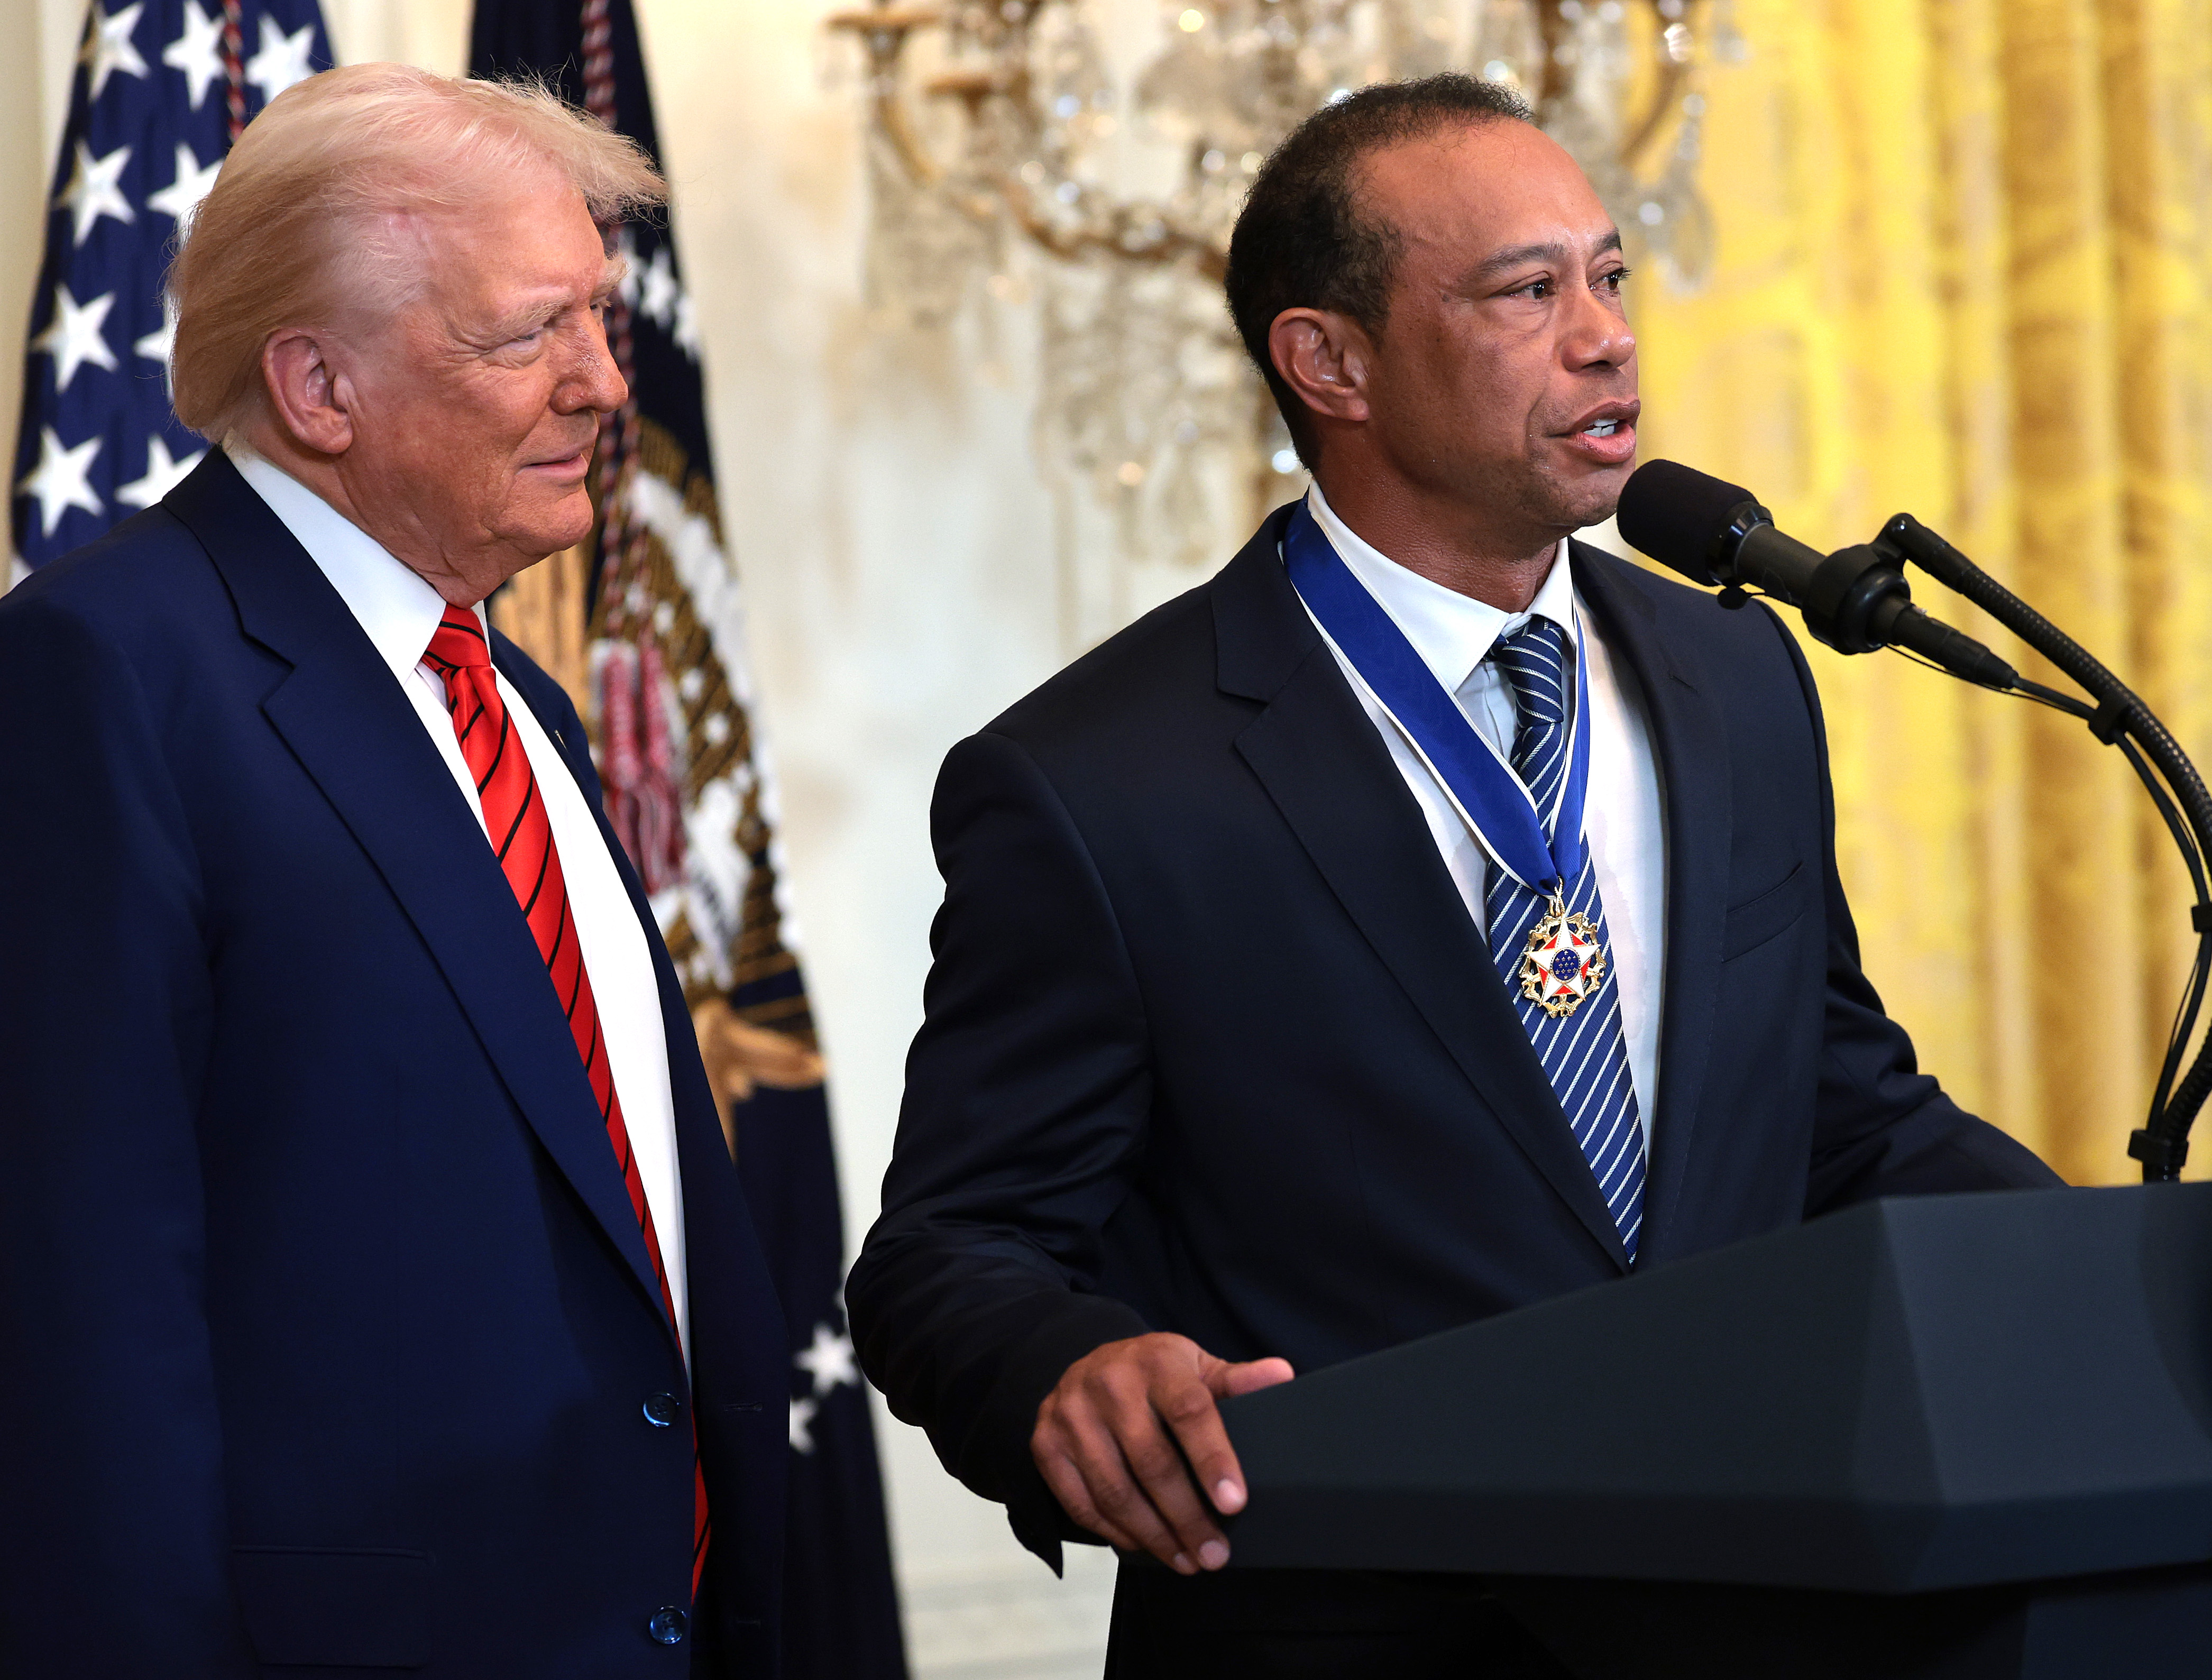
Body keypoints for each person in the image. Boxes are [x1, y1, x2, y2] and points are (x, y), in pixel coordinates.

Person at [846, 75, 2060, 1676]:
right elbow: (953, 1252)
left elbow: (1833, 1105)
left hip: (1764, 1615)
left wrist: (2112, 1281)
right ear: (1329, 361)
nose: (1607, 333)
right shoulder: (1093, 782)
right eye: (1526, 290)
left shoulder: (1737, 676)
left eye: (1610, 275)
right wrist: (1070, 1365)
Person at [0, 65, 788, 1676]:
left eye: (599, 319)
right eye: (528, 334)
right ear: (318, 386)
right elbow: (83, 1304)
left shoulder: (515, 700)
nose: (600, 386)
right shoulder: (101, 672)